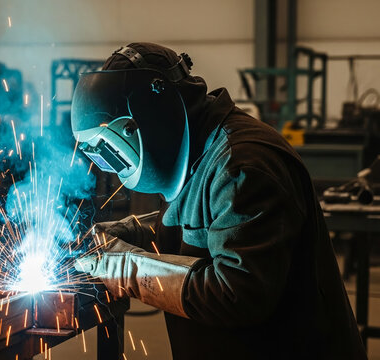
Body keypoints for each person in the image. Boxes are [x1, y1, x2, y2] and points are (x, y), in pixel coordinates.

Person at [71, 43, 366, 359]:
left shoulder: (244, 165)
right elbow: (199, 234)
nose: (113, 169)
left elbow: (236, 293)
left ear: (148, 119)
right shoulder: (191, 151)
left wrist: (123, 266)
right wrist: (126, 234)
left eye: (113, 151)